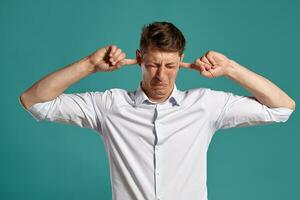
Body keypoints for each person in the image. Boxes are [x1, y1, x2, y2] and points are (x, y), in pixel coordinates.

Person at [19, 21, 296, 200]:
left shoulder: (204, 104)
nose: (161, 76)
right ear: (139, 59)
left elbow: (283, 107)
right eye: (152, 65)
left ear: (182, 61)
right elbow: (35, 101)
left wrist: (230, 69)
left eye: (170, 66)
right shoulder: (109, 105)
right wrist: (89, 65)